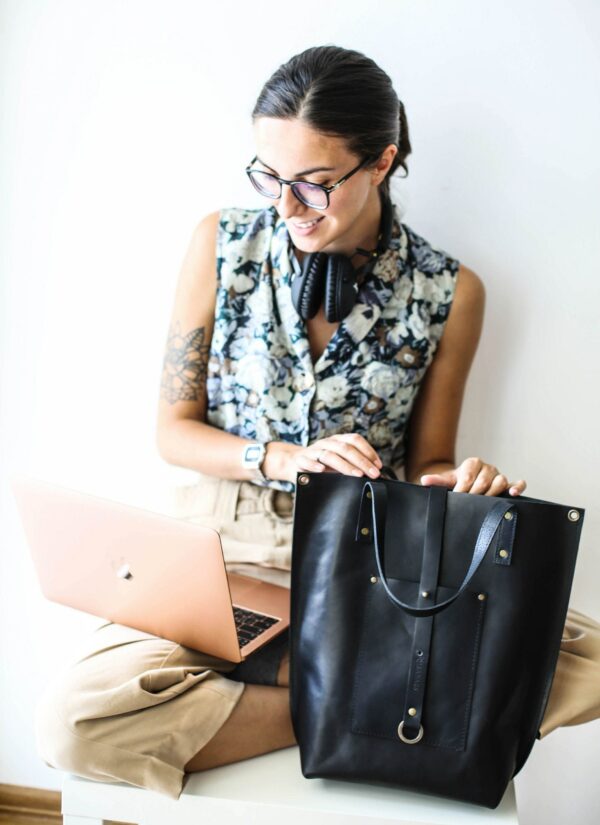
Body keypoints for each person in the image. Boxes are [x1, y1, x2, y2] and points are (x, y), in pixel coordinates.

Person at [35, 44, 600, 800]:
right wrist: (282, 458)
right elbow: (173, 430)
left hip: (361, 561)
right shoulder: (221, 243)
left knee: (588, 652)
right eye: (269, 176)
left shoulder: (451, 292)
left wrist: (465, 485)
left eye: (313, 183)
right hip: (217, 553)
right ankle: (364, 702)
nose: (286, 204)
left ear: (382, 161)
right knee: (72, 723)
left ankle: (355, 681)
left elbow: (429, 460)